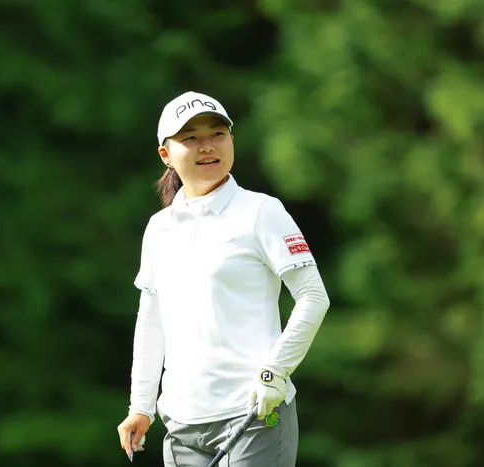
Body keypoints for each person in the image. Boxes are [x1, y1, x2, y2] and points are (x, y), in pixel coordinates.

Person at [116, 91, 330, 467]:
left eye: (217, 133)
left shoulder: (262, 211)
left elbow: (313, 296)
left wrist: (275, 372)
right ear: (166, 154)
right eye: (190, 137)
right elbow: (151, 320)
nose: (207, 146)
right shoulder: (160, 228)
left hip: (254, 416)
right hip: (182, 426)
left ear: (231, 139)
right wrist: (141, 407)